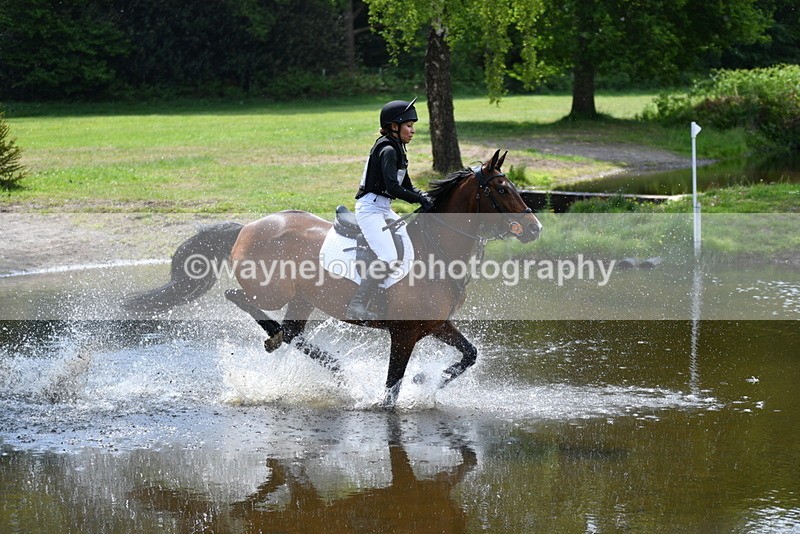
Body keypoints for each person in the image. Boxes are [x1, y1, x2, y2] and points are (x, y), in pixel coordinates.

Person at [346, 97, 433, 320]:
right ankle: (357, 304)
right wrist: (418, 200)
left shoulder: (398, 148)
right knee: (387, 256)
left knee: (409, 244)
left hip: (382, 208)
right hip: (370, 209)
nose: (413, 131)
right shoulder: (388, 150)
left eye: (413, 126)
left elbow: (406, 184)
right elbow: (393, 187)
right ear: (394, 126)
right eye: (409, 126)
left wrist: (422, 196)